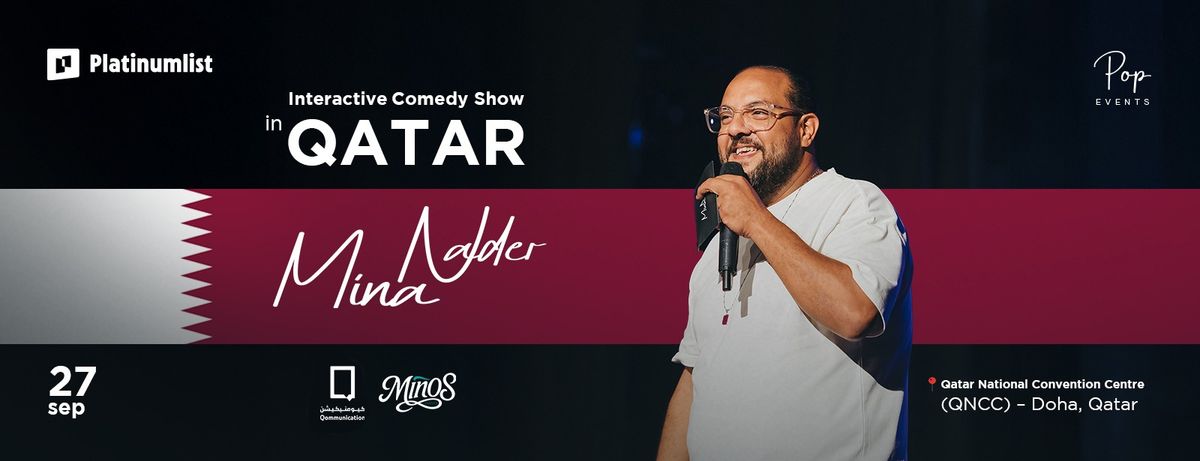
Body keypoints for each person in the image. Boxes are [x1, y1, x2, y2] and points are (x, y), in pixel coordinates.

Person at [657, 66, 913, 461]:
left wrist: (756, 220)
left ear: (806, 129)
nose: (735, 129)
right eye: (725, 117)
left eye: (758, 113)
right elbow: (695, 380)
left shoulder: (854, 202)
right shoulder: (716, 247)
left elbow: (856, 313)